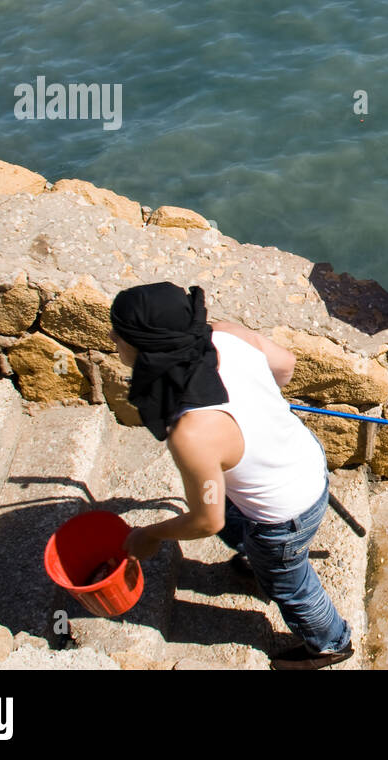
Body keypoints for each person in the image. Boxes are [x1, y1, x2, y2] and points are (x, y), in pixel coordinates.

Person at [110, 282, 352, 670]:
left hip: (284, 513)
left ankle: (331, 642)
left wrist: (148, 534)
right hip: (305, 458)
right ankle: (259, 557)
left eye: (118, 332)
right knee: (234, 515)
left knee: (288, 586)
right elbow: (286, 367)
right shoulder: (224, 333)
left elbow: (208, 522)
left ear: (145, 345)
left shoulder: (192, 431)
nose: (111, 338)